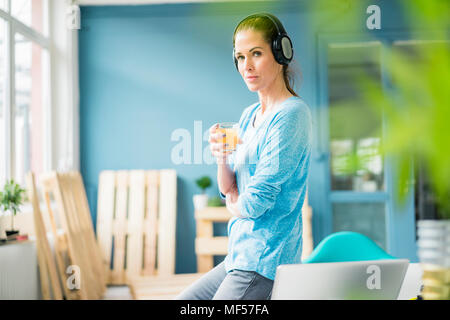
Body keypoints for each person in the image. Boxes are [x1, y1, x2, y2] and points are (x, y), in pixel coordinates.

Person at [176, 12, 312, 300]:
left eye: (256, 53)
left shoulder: (291, 115)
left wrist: (237, 203)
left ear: (281, 52)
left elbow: (256, 201)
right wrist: (221, 157)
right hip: (238, 257)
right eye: (240, 57)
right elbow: (228, 190)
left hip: (265, 262)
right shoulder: (249, 115)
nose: (246, 66)